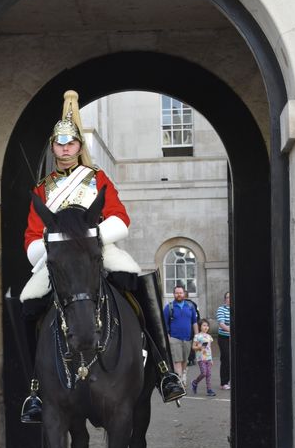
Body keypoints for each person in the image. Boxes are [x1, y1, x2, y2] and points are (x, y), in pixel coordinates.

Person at [17, 90, 185, 422]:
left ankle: (165, 370)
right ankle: (34, 389)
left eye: (71, 144)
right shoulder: (42, 188)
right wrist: (52, 249)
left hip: (99, 251)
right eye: (59, 144)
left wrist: (89, 240)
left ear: (80, 147)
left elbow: (120, 219)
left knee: (138, 281)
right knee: (27, 300)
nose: (65, 149)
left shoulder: (97, 179)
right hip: (57, 257)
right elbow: (32, 236)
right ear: (52, 147)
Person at [164, 284, 198, 386]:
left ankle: (183, 374)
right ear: (174, 294)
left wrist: (197, 337)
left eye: (181, 292)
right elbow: (164, 324)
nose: (179, 294)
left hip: (187, 339)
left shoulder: (191, 307)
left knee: (185, 360)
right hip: (174, 339)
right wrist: (168, 338)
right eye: (177, 293)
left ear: (184, 294)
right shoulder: (168, 307)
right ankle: (179, 381)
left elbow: (194, 322)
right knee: (177, 361)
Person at [190, 319, 216, 397]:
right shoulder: (197, 336)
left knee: (208, 374)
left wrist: (211, 359)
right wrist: (199, 347)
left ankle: (209, 389)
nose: (206, 327)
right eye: (204, 325)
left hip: (208, 358)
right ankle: (195, 382)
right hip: (201, 358)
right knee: (204, 373)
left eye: (207, 325)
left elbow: (209, 348)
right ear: (200, 326)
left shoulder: (209, 337)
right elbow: (193, 347)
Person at [216, 291, 231, 390]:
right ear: (225, 299)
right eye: (228, 297)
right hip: (224, 337)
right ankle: (224, 382)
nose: (229, 299)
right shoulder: (221, 309)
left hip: (234, 338)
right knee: (226, 358)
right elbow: (221, 323)